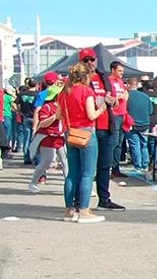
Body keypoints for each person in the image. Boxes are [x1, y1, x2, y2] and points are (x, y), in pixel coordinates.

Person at [59, 63, 107, 224]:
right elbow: (91, 115)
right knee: (87, 173)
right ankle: (84, 211)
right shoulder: (87, 91)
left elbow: (59, 115)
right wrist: (102, 108)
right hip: (86, 133)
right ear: (85, 77)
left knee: (72, 172)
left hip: (71, 132)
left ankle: (68, 210)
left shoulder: (64, 92)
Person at [89, 56, 126, 211]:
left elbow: (117, 101)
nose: (90, 63)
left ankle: (104, 200)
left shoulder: (105, 78)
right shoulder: (79, 79)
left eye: (92, 60)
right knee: (86, 168)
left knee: (105, 165)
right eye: (86, 60)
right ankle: (78, 204)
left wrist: (113, 101)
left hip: (108, 125)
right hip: (89, 127)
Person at [28, 73, 67, 193]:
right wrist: (55, 117)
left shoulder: (63, 106)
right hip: (48, 137)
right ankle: (33, 182)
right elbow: (43, 123)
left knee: (66, 161)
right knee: (46, 162)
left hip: (60, 137)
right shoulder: (47, 107)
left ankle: (69, 185)